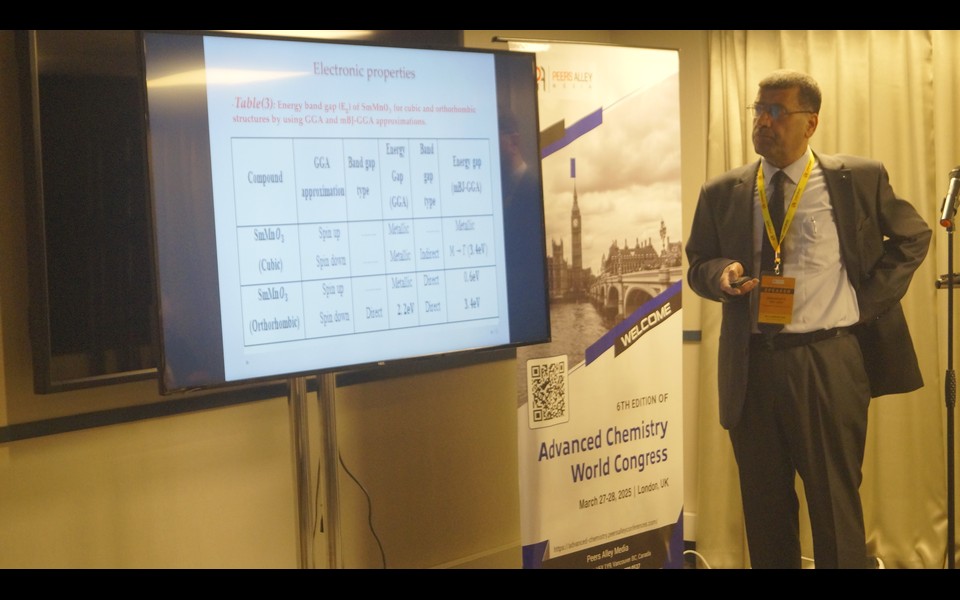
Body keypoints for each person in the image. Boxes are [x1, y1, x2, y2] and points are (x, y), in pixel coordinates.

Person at [685, 69, 931, 569]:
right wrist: (721, 274)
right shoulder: (723, 190)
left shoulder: (856, 178)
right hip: (752, 367)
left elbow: (913, 236)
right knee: (765, 508)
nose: (763, 121)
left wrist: (865, 304)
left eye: (777, 111)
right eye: (759, 110)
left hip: (827, 361)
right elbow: (697, 263)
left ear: (810, 122)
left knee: (834, 505)